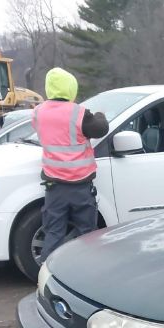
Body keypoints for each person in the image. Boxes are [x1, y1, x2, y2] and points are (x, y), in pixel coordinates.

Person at [32, 67, 108, 261]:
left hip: (54, 187)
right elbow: (101, 129)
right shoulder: (79, 113)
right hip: (80, 186)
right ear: (70, 89)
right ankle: (87, 271)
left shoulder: (38, 112)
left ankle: (49, 272)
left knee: (54, 232)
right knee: (87, 234)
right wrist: (100, 114)